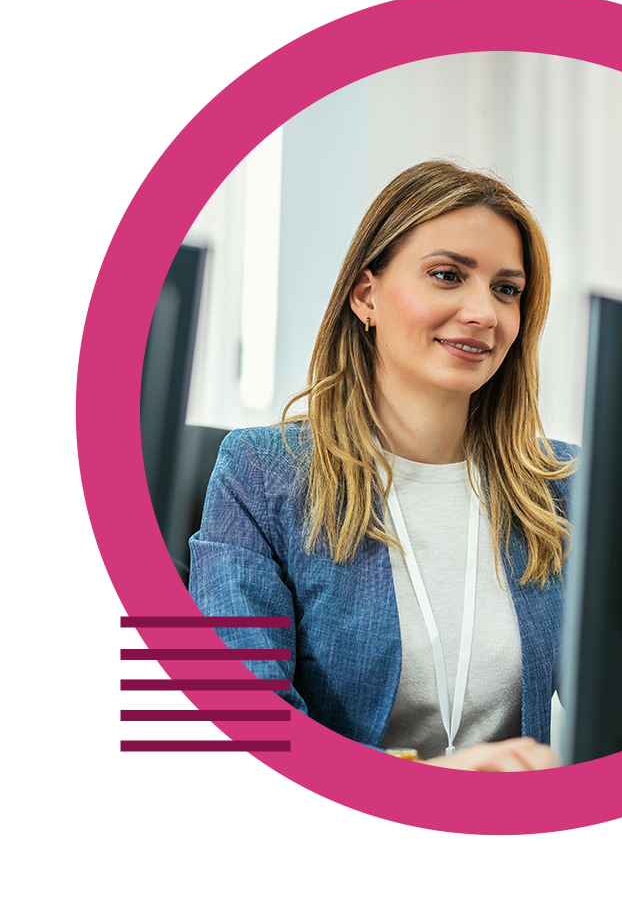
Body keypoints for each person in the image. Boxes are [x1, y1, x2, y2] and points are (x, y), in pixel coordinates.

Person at [188, 160, 577, 771]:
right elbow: (244, 727)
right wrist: (433, 782)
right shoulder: (263, 476)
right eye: (448, 275)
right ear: (367, 296)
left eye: (507, 289)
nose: (484, 313)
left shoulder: (563, 488)